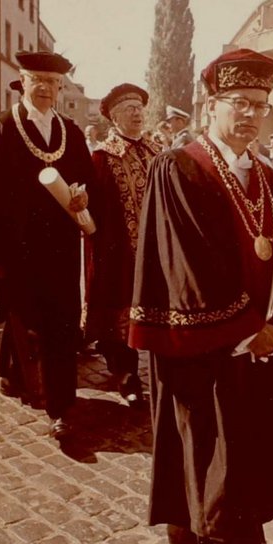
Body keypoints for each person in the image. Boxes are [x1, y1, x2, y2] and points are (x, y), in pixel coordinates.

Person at [128, 48, 273, 544]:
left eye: (260, 104)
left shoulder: (271, 179)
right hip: (201, 333)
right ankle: (233, 543)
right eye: (238, 102)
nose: (250, 114)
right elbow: (185, 261)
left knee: (241, 437)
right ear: (211, 105)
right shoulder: (180, 167)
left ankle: (197, 525)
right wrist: (248, 329)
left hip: (255, 337)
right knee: (205, 432)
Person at [0, 50, 95, 440]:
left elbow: (86, 180)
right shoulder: (2, 127)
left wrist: (83, 196)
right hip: (17, 249)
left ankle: (61, 408)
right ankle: (18, 376)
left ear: (60, 88)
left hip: (61, 248)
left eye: (53, 82)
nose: (45, 88)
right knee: (25, 321)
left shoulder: (70, 131)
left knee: (61, 324)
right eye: (38, 80)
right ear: (22, 82)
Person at [84, 83, 160, 405]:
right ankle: (127, 375)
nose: (137, 114)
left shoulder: (157, 151)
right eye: (129, 109)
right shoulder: (102, 157)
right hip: (119, 253)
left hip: (158, 251)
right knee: (121, 315)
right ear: (114, 117)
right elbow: (93, 209)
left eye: (139, 109)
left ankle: (160, 374)